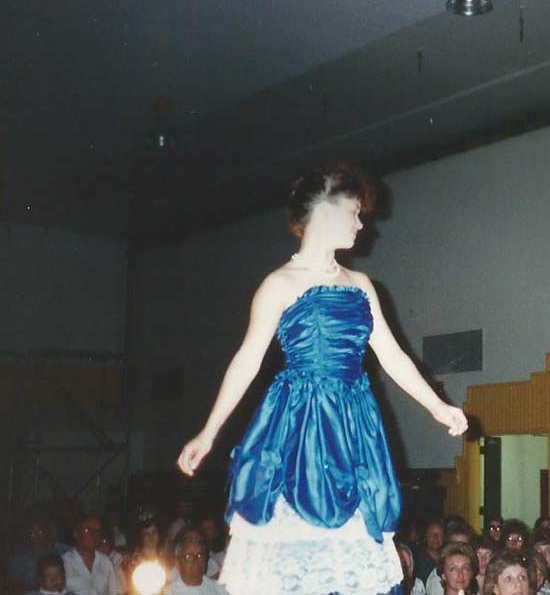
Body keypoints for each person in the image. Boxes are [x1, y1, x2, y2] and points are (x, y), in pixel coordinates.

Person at [175, 163, 468, 595]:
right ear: (325, 211)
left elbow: (392, 355)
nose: (361, 224)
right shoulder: (279, 284)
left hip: (353, 426)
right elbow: (247, 359)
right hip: (300, 421)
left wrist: (437, 406)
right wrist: (208, 431)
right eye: (354, 212)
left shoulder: (362, 284)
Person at [61, 517, 120, 595]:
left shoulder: (105, 562)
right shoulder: (64, 562)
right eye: (89, 531)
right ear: (76, 533)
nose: (94, 535)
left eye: (97, 531)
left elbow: (113, 592)